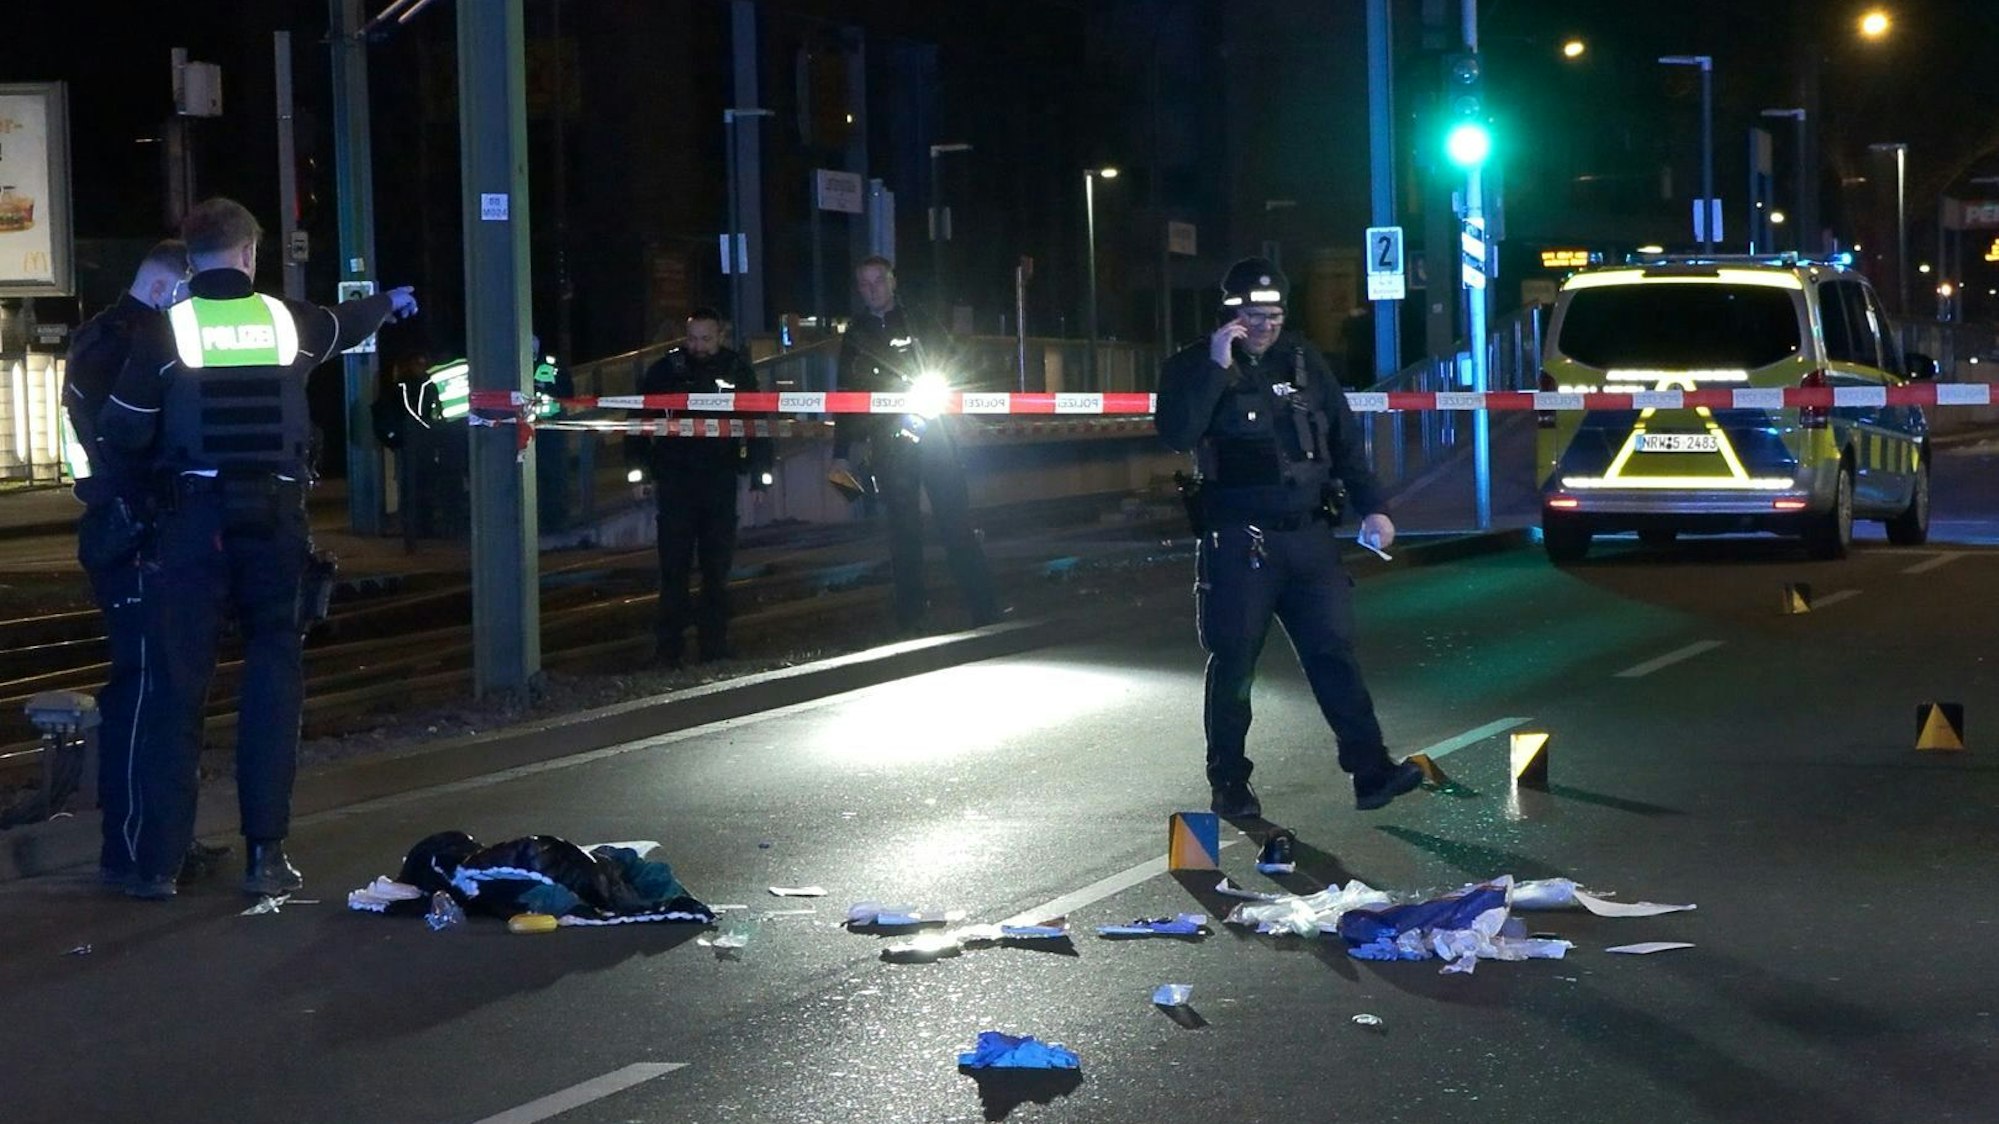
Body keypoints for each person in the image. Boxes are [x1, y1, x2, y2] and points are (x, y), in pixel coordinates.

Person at [98, 197, 416, 899]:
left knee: (175, 692)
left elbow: (121, 432)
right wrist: (390, 300)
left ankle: (157, 866)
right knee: (273, 681)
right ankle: (265, 857)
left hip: (191, 527)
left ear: (191, 254)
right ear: (249, 253)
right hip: (275, 525)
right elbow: (347, 323)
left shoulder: (163, 333)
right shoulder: (288, 323)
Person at [1153, 257, 1421, 820]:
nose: (1264, 326)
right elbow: (1177, 433)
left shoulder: (1303, 361)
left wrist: (1374, 507)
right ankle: (1229, 782)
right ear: (1230, 315)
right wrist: (1216, 368)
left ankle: (1371, 771)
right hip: (1239, 544)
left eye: (1273, 315)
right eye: (1252, 315)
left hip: (1308, 540)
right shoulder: (1191, 365)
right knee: (1235, 666)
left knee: (1334, 655)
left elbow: (1344, 438)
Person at [59, 239, 228, 890]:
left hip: (127, 529)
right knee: (143, 691)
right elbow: (126, 443)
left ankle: (162, 840)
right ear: (169, 289)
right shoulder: (136, 341)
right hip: (135, 534)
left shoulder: (100, 337)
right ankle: (138, 850)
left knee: (162, 687)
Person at [831, 256, 998, 631]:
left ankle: (984, 607)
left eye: (878, 281)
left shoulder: (920, 322)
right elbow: (846, 397)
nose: (871, 289)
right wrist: (841, 454)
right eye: (864, 283)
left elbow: (953, 365)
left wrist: (961, 411)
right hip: (889, 447)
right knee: (902, 532)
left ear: (893, 281)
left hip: (934, 438)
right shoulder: (856, 333)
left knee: (955, 523)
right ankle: (911, 617)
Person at [628, 308, 772, 666]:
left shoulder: (736, 369)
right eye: (692, 338)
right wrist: (639, 472)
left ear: (720, 336)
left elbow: (756, 422)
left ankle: (714, 645)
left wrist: (759, 474)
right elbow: (639, 420)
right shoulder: (666, 371)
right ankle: (668, 649)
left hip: (719, 480)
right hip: (675, 481)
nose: (699, 346)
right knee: (673, 569)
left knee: (716, 568)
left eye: (706, 339)